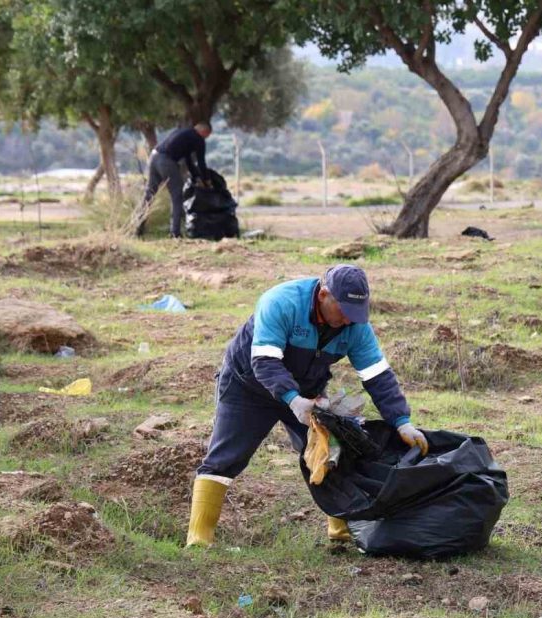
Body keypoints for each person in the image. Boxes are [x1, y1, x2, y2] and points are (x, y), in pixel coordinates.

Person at [186, 264, 428, 547]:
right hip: (248, 387)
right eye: (345, 313)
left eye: (356, 315)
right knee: (225, 458)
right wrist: (293, 400)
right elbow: (264, 361)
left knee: (332, 453)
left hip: (308, 393)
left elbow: (377, 375)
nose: (350, 322)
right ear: (325, 295)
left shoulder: (355, 326)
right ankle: (199, 539)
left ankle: (342, 532)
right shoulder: (281, 302)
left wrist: (402, 421)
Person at [137, 122, 212, 238]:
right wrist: (207, 181)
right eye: (207, 136)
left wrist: (196, 177)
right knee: (177, 195)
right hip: (166, 161)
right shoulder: (198, 138)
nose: (205, 139)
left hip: (154, 157)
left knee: (149, 194)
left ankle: (137, 229)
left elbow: (188, 161)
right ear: (205, 132)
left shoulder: (184, 132)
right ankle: (175, 233)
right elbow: (201, 162)